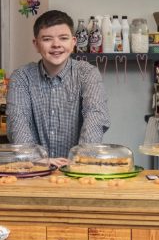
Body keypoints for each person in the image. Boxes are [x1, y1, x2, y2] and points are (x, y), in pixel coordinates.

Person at [6, 10, 110, 166]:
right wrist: (37, 160)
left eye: (63, 38)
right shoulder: (21, 77)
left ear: (73, 42)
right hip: (33, 171)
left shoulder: (87, 73)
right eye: (47, 39)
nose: (56, 45)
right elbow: (17, 121)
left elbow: (95, 117)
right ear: (36, 44)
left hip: (79, 171)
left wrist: (79, 160)